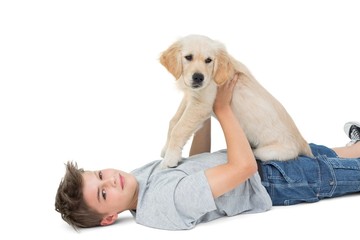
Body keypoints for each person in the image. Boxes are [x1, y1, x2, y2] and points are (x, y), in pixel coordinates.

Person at [55, 74, 360, 230]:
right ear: (108, 218)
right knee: (328, 171)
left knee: (323, 153)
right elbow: (243, 169)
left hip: (263, 158)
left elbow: (195, 163)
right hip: (276, 180)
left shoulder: (136, 181)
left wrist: (200, 110)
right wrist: (222, 107)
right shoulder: (164, 204)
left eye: (100, 175)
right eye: (103, 194)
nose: (110, 181)